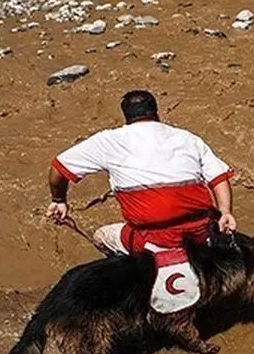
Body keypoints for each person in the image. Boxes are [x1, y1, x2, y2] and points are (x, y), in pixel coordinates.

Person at [45, 90, 236, 256]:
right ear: (156, 113)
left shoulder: (108, 140)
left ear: (126, 116)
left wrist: (59, 200)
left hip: (152, 238)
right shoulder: (188, 138)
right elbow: (219, 179)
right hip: (202, 232)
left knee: (101, 236)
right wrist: (226, 212)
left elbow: (59, 168)